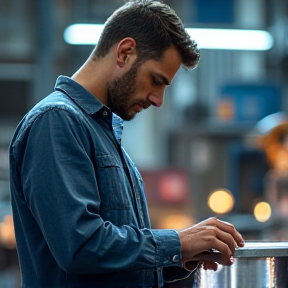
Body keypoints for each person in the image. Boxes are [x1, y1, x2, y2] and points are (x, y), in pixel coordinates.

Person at [9, 0, 244, 287]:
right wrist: (177, 243)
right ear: (125, 52)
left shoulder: (105, 136)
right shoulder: (57, 121)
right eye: (155, 80)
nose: (158, 100)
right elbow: (80, 246)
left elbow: (111, 262)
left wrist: (179, 259)